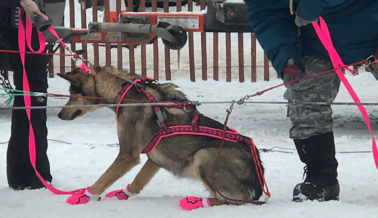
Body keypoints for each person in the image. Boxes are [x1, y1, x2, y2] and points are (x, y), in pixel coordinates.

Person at [243, 0, 378, 202]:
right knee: (304, 98)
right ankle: (321, 180)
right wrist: (285, 56)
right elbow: (266, 13)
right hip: (319, 40)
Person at [0, 0, 53, 190]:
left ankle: (33, 169)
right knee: (30, 94)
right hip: (15, 22)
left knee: (33, 95)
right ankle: (26, 173)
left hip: (29, 22)